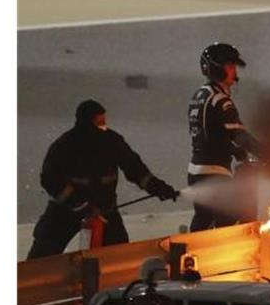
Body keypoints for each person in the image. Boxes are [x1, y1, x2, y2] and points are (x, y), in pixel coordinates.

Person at [27, 99, 179, 260]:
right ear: (86, 123)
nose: (104, 127)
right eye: (100, 123)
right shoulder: (65, 145)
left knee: (118, 256)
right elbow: (49, 179)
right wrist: (79, 204)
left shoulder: (112, 141)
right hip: (66, 210)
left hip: (104, 210)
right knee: (43, 252)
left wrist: (159, 188)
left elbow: (136, 169)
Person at [187, 42, 262, 231]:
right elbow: (239, 134)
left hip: (197, 172)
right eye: (229, 66)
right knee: (232, 221)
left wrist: (235, 152)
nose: (234, 70)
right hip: (214, 173)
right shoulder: (220, 100)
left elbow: (211, 135)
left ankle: (193, 255)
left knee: (203, 221)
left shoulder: (200, 95)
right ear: (215, 69)